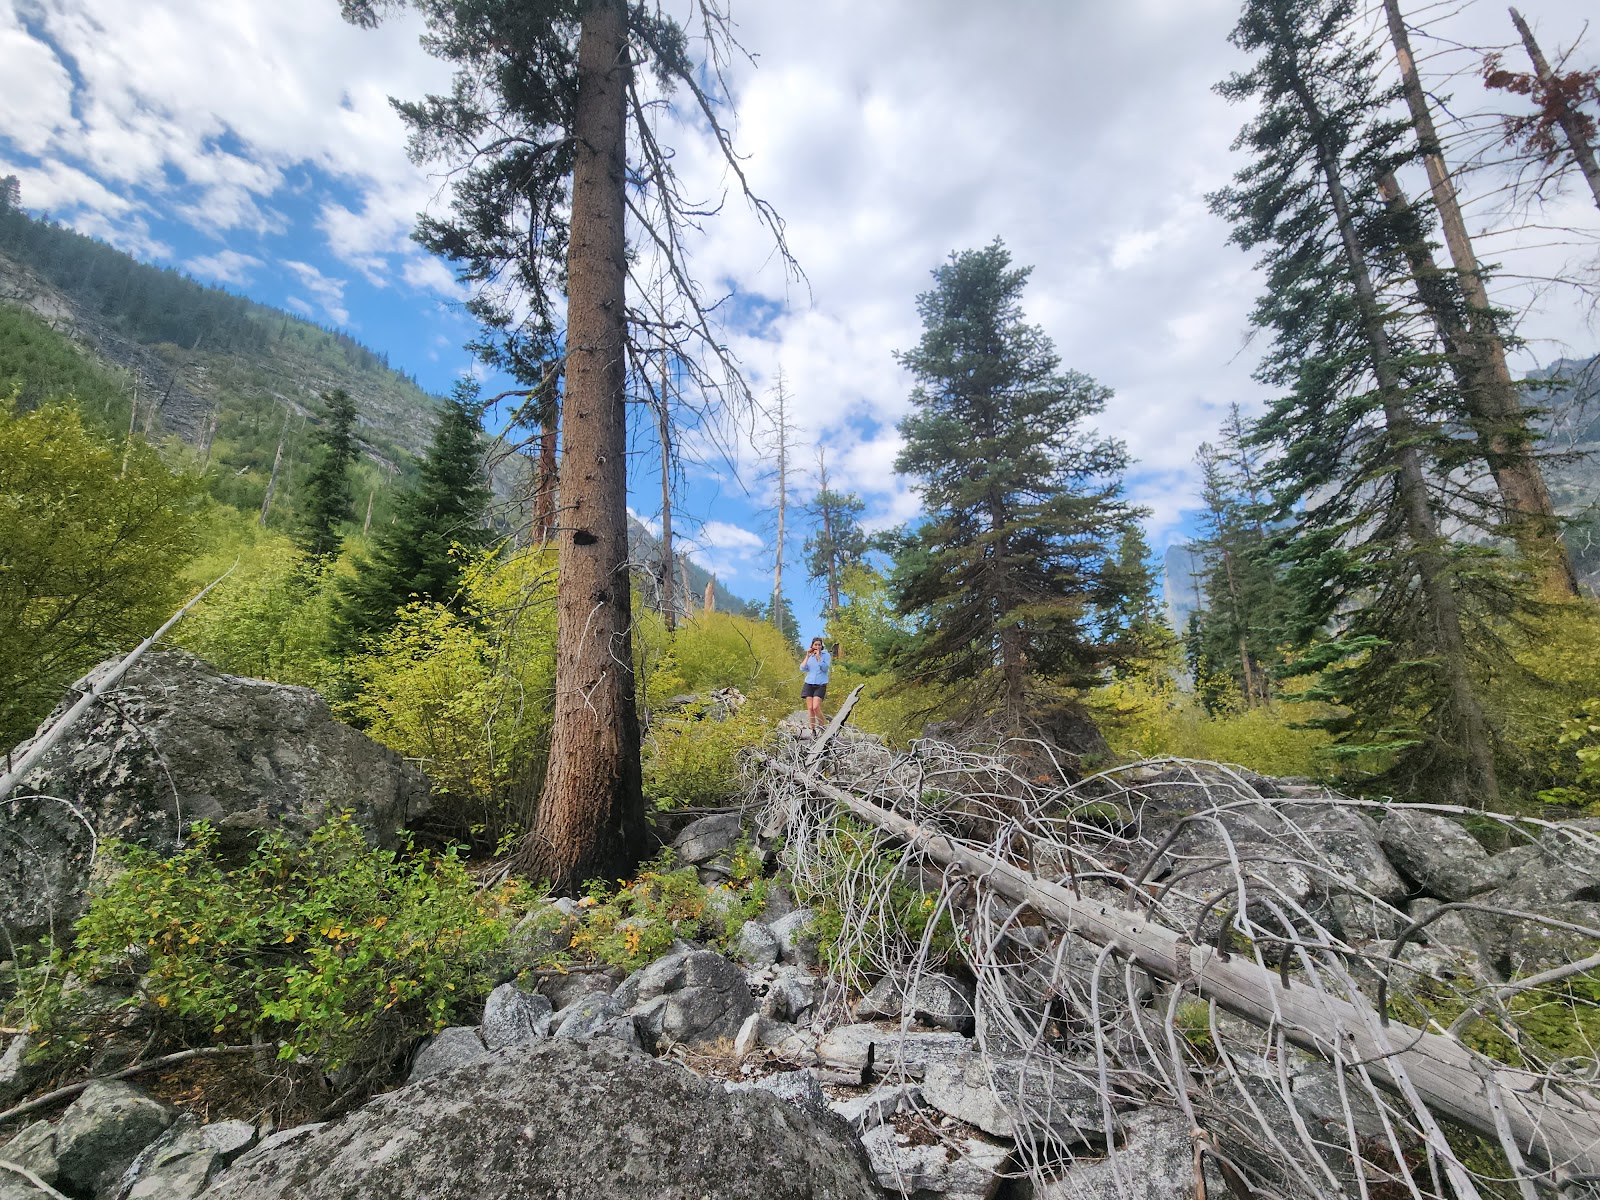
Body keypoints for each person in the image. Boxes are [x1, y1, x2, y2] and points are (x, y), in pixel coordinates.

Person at [799, 637, 833, 736]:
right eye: (815, 645)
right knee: (810, 708)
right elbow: (802, 668)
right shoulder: (810, 656)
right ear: (812, 646)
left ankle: (823, 727)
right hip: (809, 683)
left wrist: (819, 658)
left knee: (816, 707)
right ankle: (812, 729)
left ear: (821, 646)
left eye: (819, 645)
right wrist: (807, 656)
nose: (817, 646)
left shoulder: (825, 656)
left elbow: (825, 668)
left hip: (820, 684)